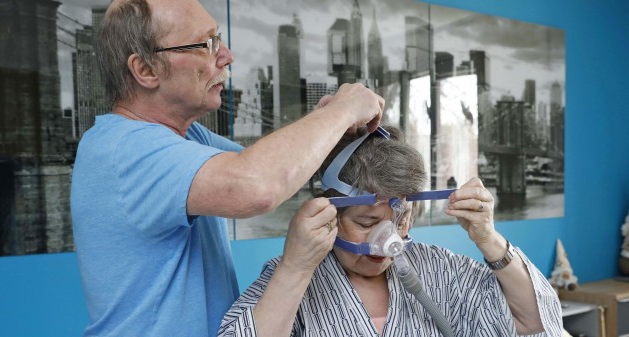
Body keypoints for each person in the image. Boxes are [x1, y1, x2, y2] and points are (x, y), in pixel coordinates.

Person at [70, 0, 384, 336]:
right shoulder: (126, 150)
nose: (226, 55)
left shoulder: (184, 136)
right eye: (207, 44)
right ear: (146, 70)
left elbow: (280, 164)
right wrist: (342, 112)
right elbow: (257, 186)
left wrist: (331, 123)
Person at [218, 126, 562, 336]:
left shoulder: (442, 271)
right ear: (328, 212)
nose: (388, 240)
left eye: (401, 219)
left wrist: (489, 240)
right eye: (367, 223)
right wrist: (295, 267)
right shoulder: (292, 277)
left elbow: (535, 326)